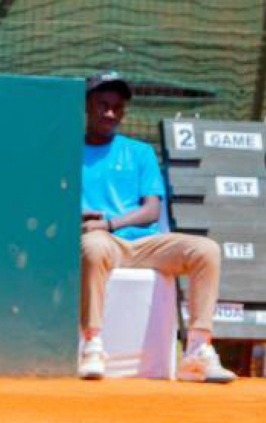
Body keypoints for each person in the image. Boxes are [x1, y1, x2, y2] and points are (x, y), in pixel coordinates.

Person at [78, 72, 235, 384]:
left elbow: (151, 210)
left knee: (206, 250)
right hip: (100, 243)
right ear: (86, 106)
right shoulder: (66, 150)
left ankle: (197, 351)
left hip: (144, 244)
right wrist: (81, 217)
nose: (110, 113)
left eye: (117, 107)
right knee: (94, 246)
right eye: (102, 105)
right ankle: (92, 346)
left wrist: (110, 223)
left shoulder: (140, 152)